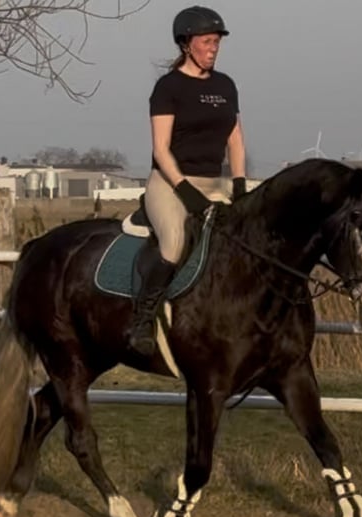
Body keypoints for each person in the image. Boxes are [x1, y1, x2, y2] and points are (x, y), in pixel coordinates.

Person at [128, 5, 247, 356]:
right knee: (175, 241)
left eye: (217, 42)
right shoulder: (168, 88)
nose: (214, 48)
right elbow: (161, 150)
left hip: (215, 182)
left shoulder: (226, 85)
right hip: (169, 183)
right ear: (186, 44)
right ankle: (142, 321)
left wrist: (239, 184)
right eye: (207, 41)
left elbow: (236, 138)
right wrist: (183, 189)